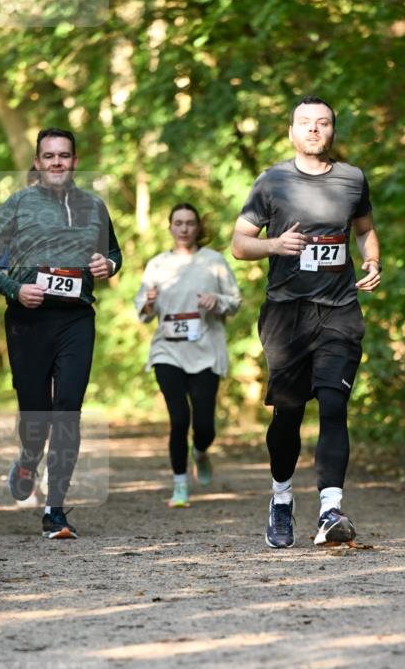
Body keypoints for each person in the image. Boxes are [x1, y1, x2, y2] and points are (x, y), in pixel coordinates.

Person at [232, 95, 381, 548]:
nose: (314, 129)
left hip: (339, 311)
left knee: (334, 404)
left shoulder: (352, 179)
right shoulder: (272, 181)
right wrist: (274, 245)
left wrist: (372, 260)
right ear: (292, 132)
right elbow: (239, 243)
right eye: (305, 122)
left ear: (332, 130)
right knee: (289, 414)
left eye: (323, 122)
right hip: (286, 314)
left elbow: (364, 230)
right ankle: (281, 499)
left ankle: (331, 510)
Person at [0, 127, 122, 539]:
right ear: (38, 162)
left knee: (68, 409)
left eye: (64, 155)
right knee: (36, 412)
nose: (57, 162)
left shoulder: (93, 205)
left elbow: (113, 252)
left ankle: (54, 509)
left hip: (76, 319)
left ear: (75, 161)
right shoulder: (18, 204)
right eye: (49, 156)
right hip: (28, 322)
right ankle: (28, 458)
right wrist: (15, 290)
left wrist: (108, 266)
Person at [134, 203, 241, 508]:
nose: (183, 228)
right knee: (179, 418)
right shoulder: (157, 264)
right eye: (178, 222)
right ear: (170, 227)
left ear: (198, 227)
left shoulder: (214, 261)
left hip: (206, 351)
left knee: (204, 427)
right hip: (167, 351)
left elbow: (235, 302)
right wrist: (149, 302)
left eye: (190, 223)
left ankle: (201, 452)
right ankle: (180, 485)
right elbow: (143, 310)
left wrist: (216, 300)